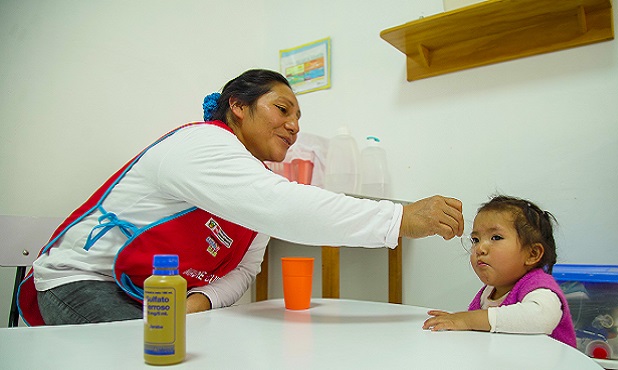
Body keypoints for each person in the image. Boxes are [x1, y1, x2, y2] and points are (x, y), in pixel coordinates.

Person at [18, 69, 464, 326]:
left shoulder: (255, 180)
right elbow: (285, 207)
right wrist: (400, 218)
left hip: (157, 297)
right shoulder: (201, 145)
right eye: (282, 109)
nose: (294, 126)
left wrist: (198, 303)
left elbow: (246, 268)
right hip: (83, 281)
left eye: (298, 117)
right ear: (237, 105)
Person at [422, 195, 576, 347]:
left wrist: (467, 319)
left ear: (532, 254)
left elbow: (542, 317)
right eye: (476, 240)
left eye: (496, 237)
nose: (480, 248)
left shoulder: (539, 286)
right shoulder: (489, 293)